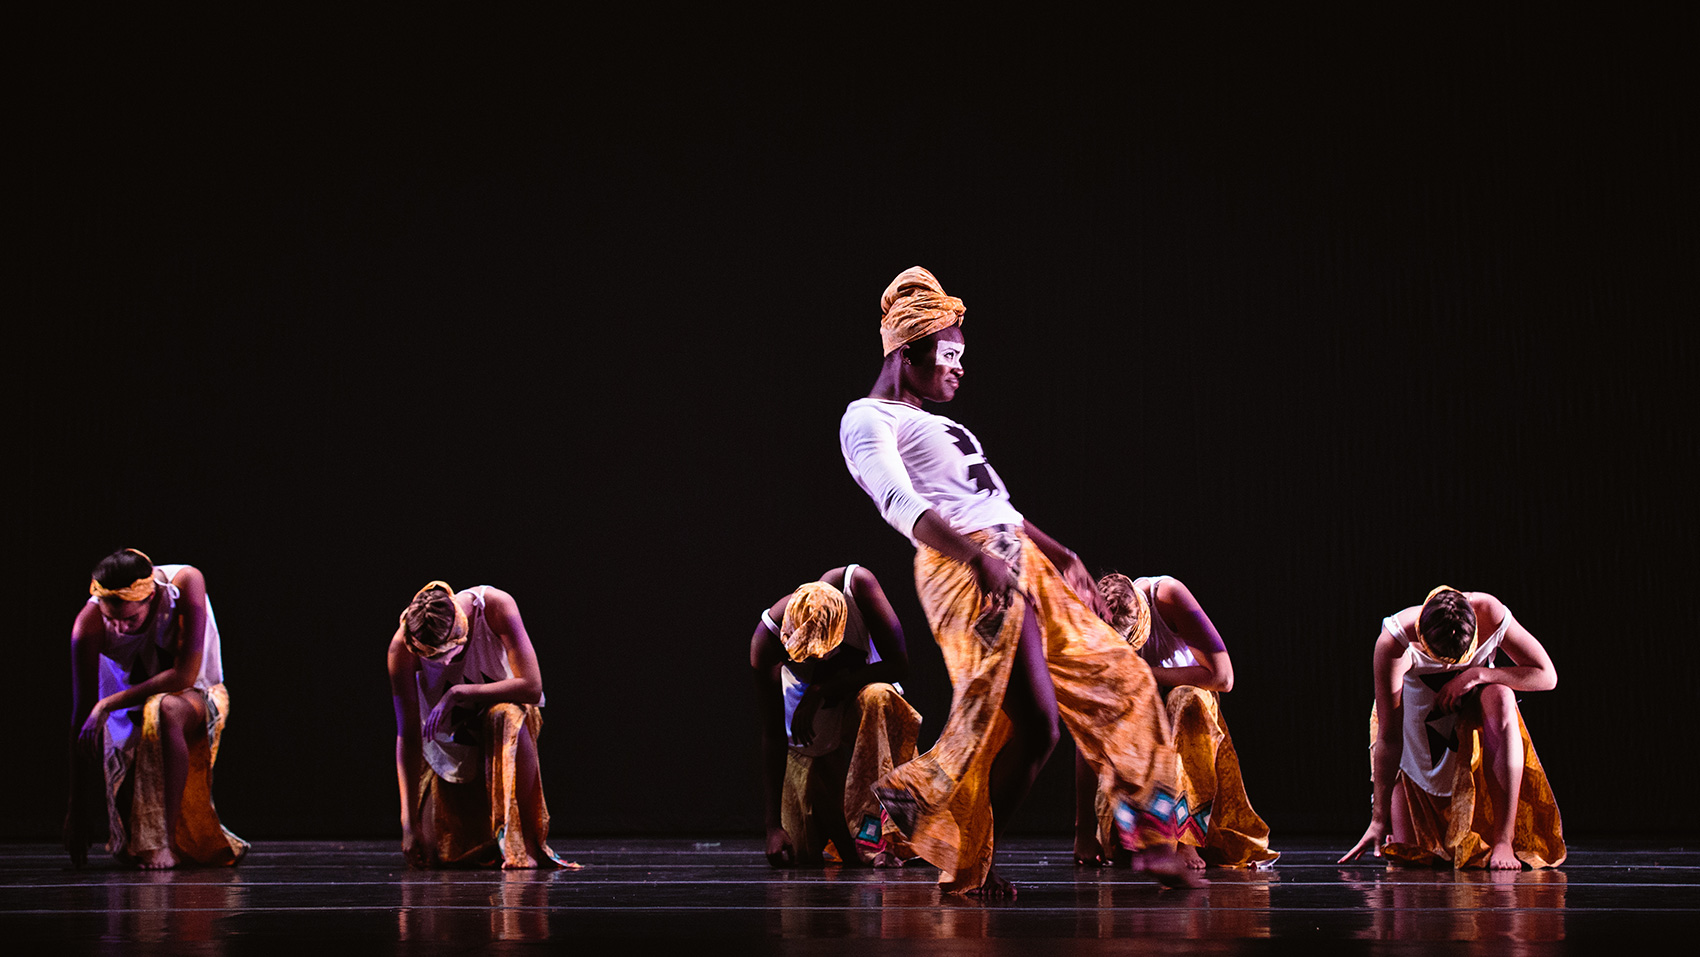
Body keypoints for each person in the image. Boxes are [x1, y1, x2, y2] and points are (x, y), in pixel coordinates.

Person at [838, 266, 1200, 896]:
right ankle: (935, 825)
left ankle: (1139, 842)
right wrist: (977, 559)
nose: (957, 367)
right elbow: (897, 501)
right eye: (947, 354)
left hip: (1010, 555)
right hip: (965, 565)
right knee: (1004, 717)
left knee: (1107, 685)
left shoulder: (937, 422)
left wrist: (1062, 554)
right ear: (905, 351)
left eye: (960, 355)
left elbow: (995, 506)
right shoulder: (868, 417)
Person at [1340, 586, 1565, 870]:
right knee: (1413, 855)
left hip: (1471, 724)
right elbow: (1389, 735)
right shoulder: (1395, 640)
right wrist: (1377, 818)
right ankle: (1407, 817)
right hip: (1415, 732)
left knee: (1502, 696)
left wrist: (1477, 674)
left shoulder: (1489, 613)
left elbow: (1546, 675)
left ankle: (1502, 839)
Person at [1078, 574, 1276, 870]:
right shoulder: (1093, 628)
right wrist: (1082, 833)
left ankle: (1185, 838)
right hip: (1143, 728)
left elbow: (1223, 677)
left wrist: (1145, 672)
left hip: (1189, 719)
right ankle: (1137, 832)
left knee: (1185, 700)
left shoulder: (1167, 596)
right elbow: (1086, 734)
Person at [65, 548, 247, 869]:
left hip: (194, 696)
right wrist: (76, 806)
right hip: (129, 716)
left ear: (150, 598)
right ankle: (157, 838)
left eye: (130, 619)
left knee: (165, 708)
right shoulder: (87, 625)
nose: (119, 629)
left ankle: (167, 839)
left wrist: (106, 704)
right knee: (131, 849)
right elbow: (83, 716)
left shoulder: (186, 583)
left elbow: (184, 675)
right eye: (111, 619)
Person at [387, 580, 570, 869]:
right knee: (435, 857)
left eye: (446, 653)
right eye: (431, 658)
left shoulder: (495, 607)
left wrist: (460, 692)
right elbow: (408, 734)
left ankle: (525, 844)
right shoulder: (402, 648)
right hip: (448, 740)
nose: (443, 665)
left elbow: (532, 687)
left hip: (504, 728)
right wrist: (407, 824)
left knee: (505, 714)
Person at [751, 565, 921, 868]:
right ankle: (848, 841)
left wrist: (823, 689)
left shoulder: (858, 586)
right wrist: (772, 827)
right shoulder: (766, 642)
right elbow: (773, 733)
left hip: (859, 696)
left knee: (881, 700)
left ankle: (889, 831)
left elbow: (899, 665)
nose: (821, 659)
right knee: (800, 851)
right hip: (811, 707)